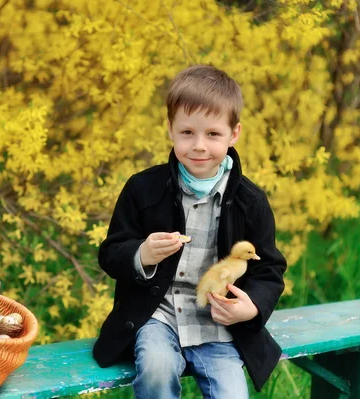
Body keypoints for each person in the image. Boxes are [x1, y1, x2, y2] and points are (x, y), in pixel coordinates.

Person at [92, 64, 287, 399]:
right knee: (156, 368)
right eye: (187, 133)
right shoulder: (143, 189)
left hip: (219, 324)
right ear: (170, 130)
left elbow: (269, 269)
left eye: (213, 134)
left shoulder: (250, 202)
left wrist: (250, 307)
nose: (199, 146)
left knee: (232, 395)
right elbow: (111, 252)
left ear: (234, 134)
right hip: (158, 316)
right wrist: (142, 254)